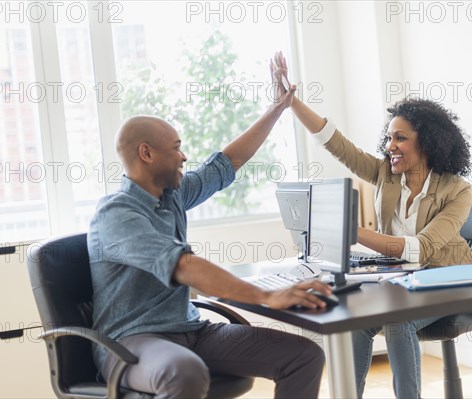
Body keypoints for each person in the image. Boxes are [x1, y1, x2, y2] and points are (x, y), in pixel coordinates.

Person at [87, 58, 333, 398]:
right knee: (184, 373)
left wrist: (278, 107)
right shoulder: (116, 214)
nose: (184, 157)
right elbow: (184, 266)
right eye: (175, 149)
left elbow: (226, 164)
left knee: (303, 355)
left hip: (191, 330)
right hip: (132, 340)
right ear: (146, 154)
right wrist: (265, 296)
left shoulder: (169, 194)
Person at [272, 53, 472, 398]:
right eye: (389, 138)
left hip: (450, 280)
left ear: (426, 143)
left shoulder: (458, 190)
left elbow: (421, 248)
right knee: (356, 322)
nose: (390, 147)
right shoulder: (386, 173)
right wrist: (292, 103)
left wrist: (349, 231)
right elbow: (337, 144)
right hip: (403, 281)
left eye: (400, 139)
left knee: (397, 321)